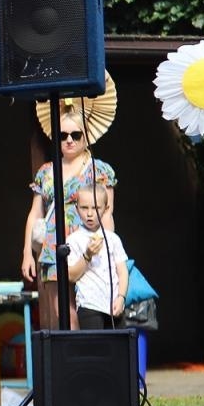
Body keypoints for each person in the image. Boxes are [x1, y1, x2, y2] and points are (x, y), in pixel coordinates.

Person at [21, 111, 116, 333]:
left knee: (90, 313)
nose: (69, 140)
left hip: (88, 246)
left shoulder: (99, 170)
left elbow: (108, 213)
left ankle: (91, 365)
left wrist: (107, 249)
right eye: (63, 135)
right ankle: (76, 365)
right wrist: (27, 252)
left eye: (75, 134)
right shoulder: (46, 172)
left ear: (86, 136)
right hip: (53, 248)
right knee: (63, 315)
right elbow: (35, 212)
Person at [65, 187, 129, 331]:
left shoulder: (112, 238)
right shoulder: (73, 240)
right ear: (76, 208)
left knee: (118, 348)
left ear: (105, 209)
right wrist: (87, 255)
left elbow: (122, 272)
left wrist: (121, 297)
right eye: (84, 207)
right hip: (89, 305)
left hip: (114, 304)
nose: (89, 213)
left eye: (95, 208)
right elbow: (71, 276)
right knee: (96, 349)